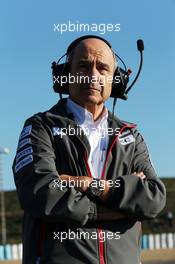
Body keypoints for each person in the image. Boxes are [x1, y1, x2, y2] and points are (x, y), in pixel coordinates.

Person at [12, 35, 166, 264]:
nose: (93, 76)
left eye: (103, 68)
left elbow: (153, 197)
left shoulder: (131, 136)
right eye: (83, 66)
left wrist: (88, 184)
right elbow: (40, 191)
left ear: (115, 79)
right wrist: (116, 208)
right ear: (65, 75)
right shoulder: (39, 127)